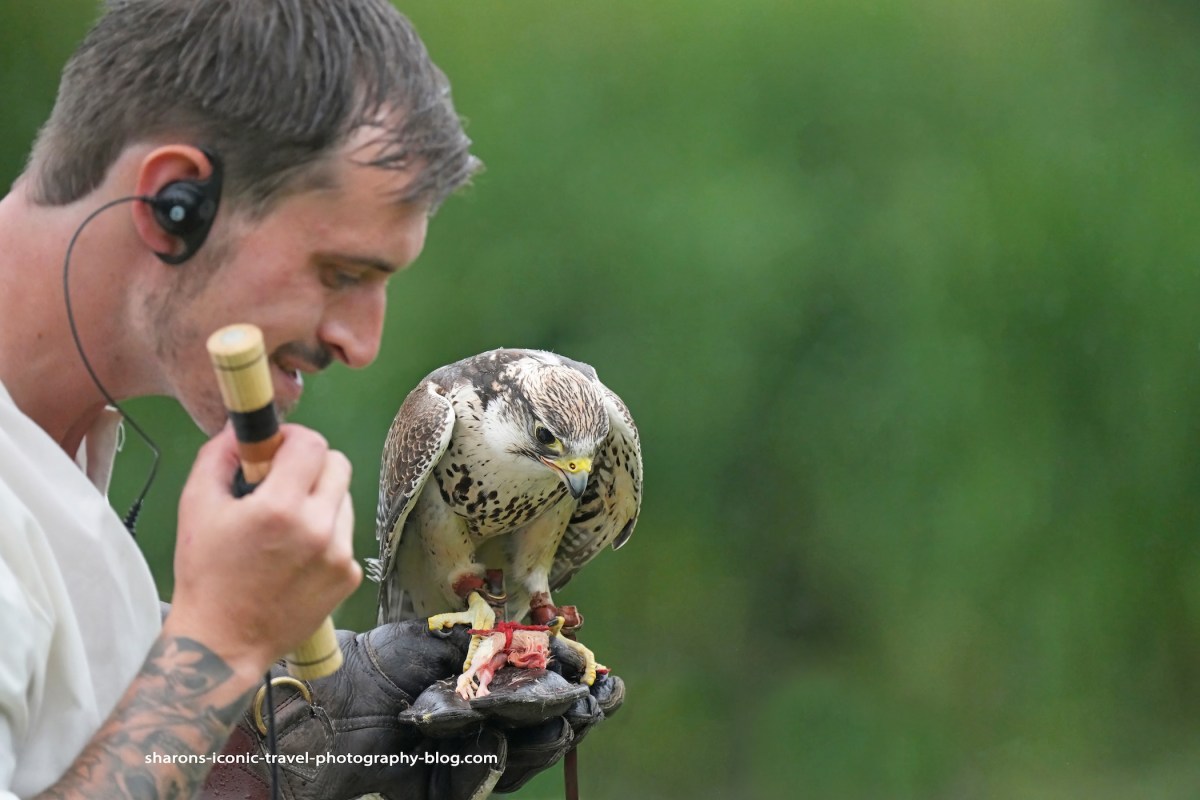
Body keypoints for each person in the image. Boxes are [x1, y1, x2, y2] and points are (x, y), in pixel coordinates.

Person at [0, 2, 620, 799]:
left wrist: (271, 752)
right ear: (174, 202)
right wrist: (222, 644)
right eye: (341, 274)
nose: (362, 344)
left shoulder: (58, 438)